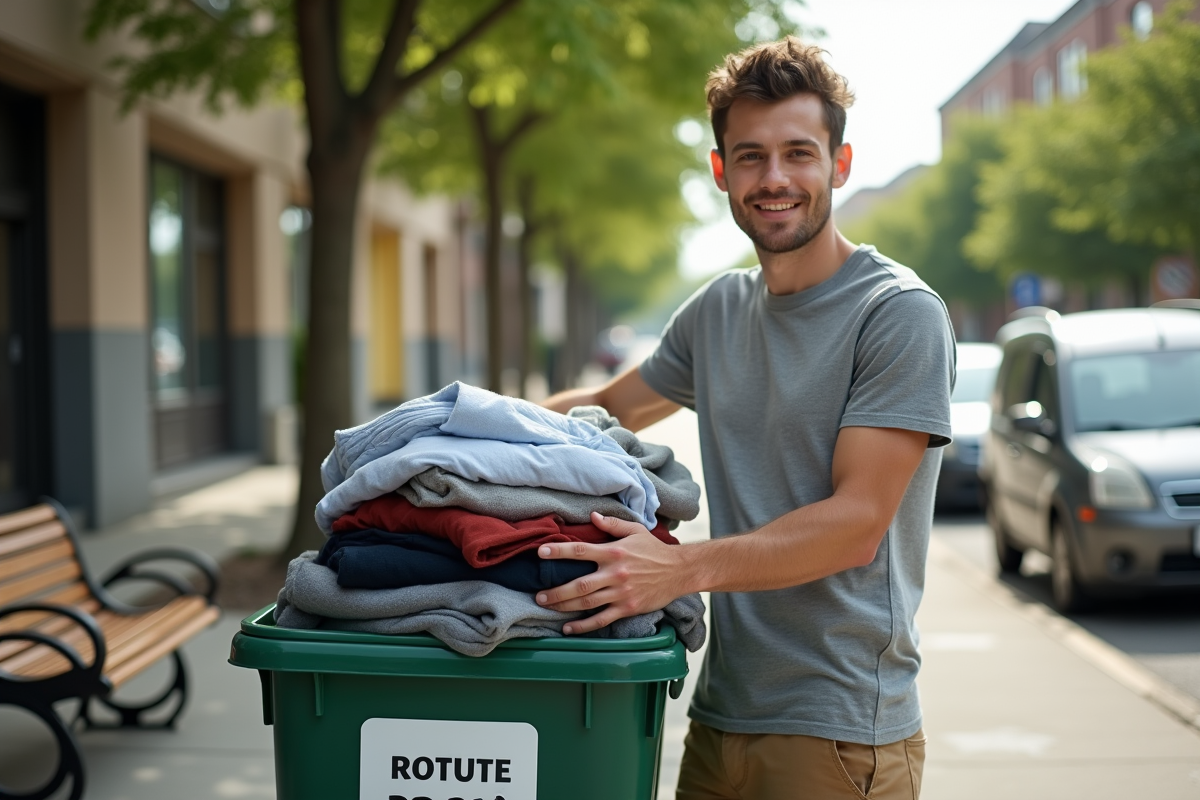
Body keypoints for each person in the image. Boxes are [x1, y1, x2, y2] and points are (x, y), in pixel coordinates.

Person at [540, 37, 954, 800]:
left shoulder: (896, 314)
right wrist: (456, 428)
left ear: (840, 163)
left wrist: (680, 569)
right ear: (721, 172)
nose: (775, 179)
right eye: (752, 156)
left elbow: (857, 522)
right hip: (720, 718)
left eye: (799, 153)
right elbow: (609, 407)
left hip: (838, 733)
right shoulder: (719, 311)